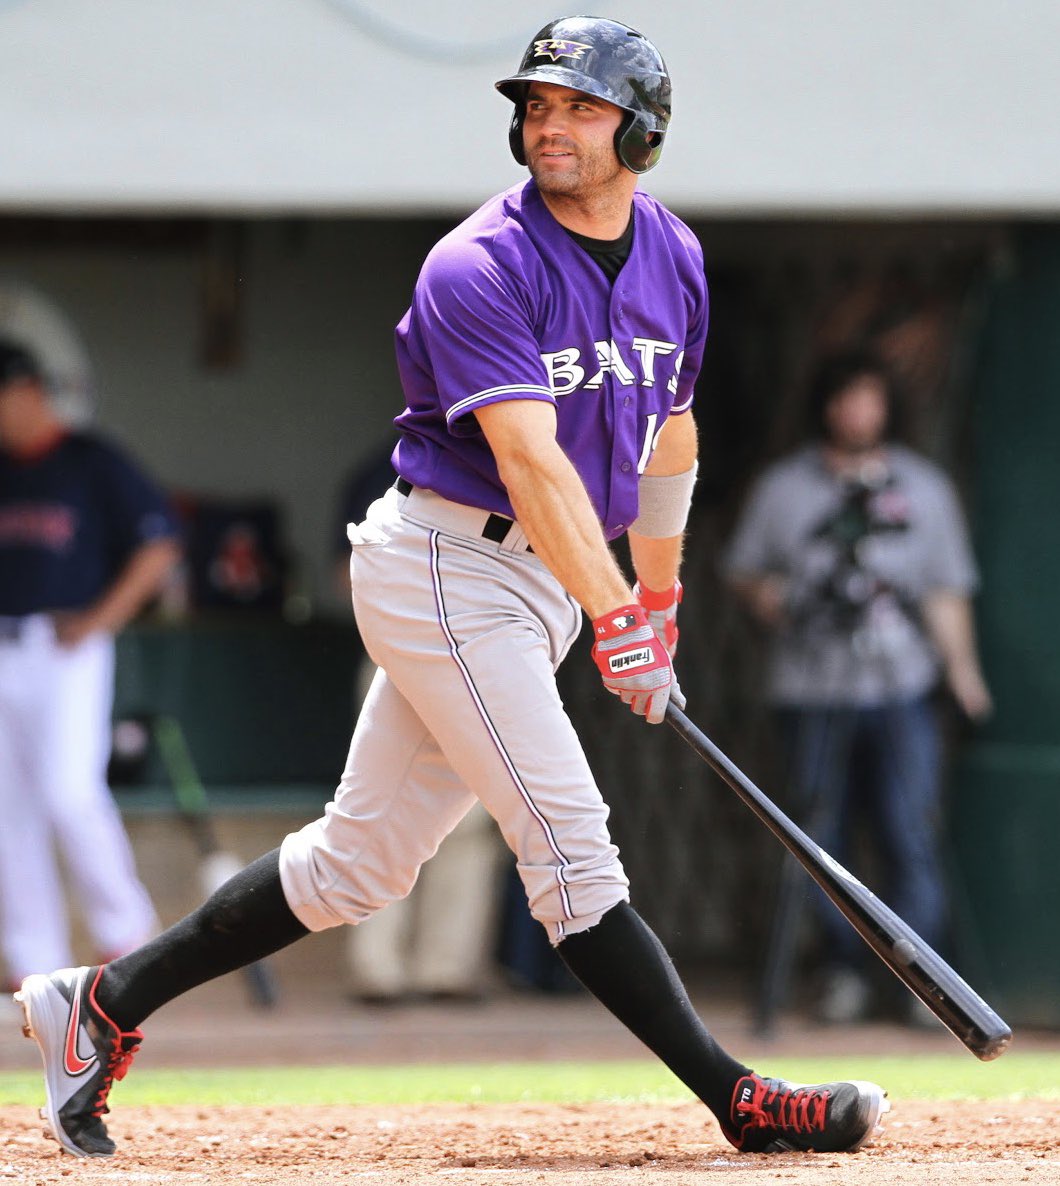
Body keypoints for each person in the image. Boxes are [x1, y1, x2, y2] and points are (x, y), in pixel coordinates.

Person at [14, 17, 888, 1161]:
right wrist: (618, 617)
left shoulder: (674, 256)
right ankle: (740, 1099)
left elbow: (668, 440)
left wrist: (655, 604)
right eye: (537, 106)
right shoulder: (478, 262)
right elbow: (530, 463)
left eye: (578, 107)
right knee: (576, 859)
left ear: (643, 129)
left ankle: (101, 1003)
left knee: (357, 864)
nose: (549, 126)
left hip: (543, 585)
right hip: (446, 563)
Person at [723, 348, 992, 1026]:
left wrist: (964, 674)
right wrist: (783, 599)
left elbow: (944, 589)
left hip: (900, 683)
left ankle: (925, 983)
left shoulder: (922, 488)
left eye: (871, 400)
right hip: (812, 685)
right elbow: (746, 574)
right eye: (847, 399)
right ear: (826, 405)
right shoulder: (786, 488)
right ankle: (841, 970)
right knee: (821, 835)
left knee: (910, 828)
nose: (859, 413)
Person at [0, 338, 180, 995]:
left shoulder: (91, 460)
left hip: (66, 646)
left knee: (69, 793)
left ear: (29, 393)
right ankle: (35, 968)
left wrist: (104, 617)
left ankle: (130, 939)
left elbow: (159, 544)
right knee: (6, 810)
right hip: (5, 646)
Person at [332, 444, 506, 1004]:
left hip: (484, 646)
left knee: (471, 818)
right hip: (399, 646)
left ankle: (445, 969)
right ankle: (377, 970)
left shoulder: (514, 458)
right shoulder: (388, 466)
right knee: (380, 805)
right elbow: (347, 573)